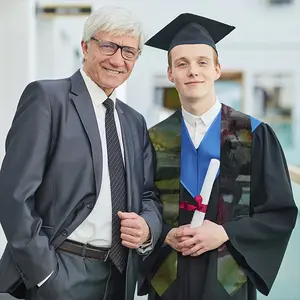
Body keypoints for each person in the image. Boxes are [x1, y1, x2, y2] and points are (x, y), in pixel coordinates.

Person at [0, 6, 162, 300]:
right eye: (108, 46)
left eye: (129, 52)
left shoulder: (134, 121)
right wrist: (44, 273)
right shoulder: (48, 100)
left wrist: (148, 227)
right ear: (85, 46)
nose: (117, 59)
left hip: (117, 276)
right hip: (59, 271)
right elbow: (14, 195)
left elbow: (148, 194)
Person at [138, 13, 298, 300]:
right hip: (167, 283)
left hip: (227, 281)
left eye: (202, 62)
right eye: (182, 64)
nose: (193, 71)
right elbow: (141, 206)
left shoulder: (252, 134)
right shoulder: (154, 139)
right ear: (170, 74)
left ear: (217, 69)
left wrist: (226, 233)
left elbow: (278, 213)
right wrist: (163, 235)